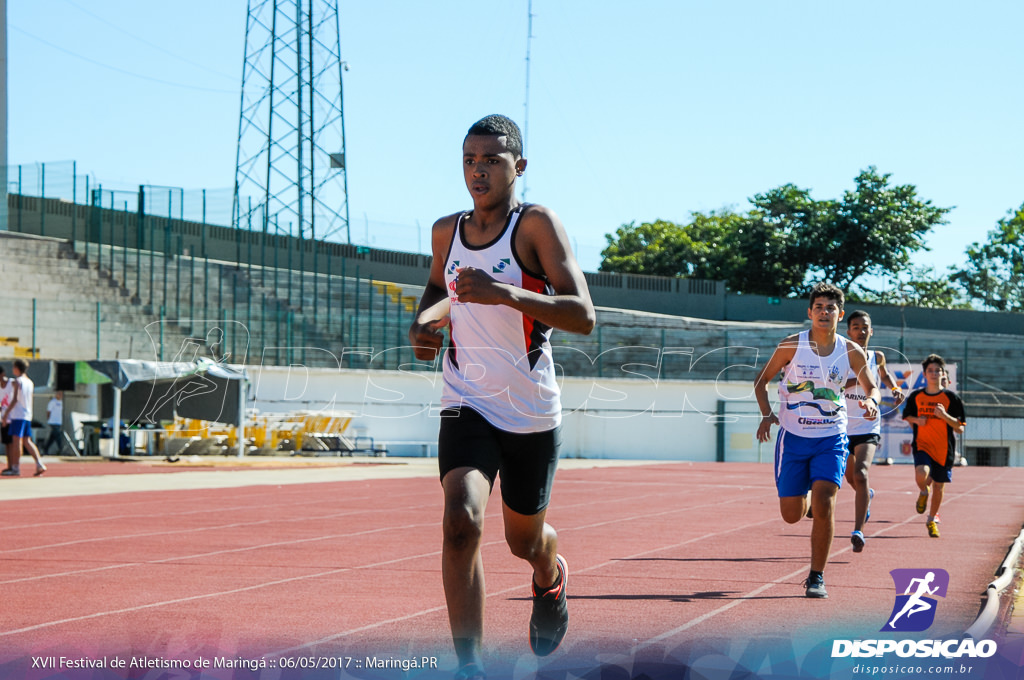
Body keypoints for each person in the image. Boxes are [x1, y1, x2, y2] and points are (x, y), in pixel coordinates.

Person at [408, 114, 595, 678]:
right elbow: (441, 290)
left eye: (491, 160)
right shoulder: (447, 230)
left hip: (530, 410)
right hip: (466, 398)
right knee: (460, 521)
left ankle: (549, 574)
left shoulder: (536, 225)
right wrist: (423, 324)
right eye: (469, 160)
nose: (478, 171)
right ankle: (471, 666)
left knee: (525, 542)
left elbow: (583, 316)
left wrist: (504, 292)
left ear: (520, 166)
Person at [754, 283, 880, 598]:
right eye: (819, 307)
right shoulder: (790, 346)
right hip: (793, 437)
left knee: (826, 502)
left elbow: (871, 386)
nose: (825, 312)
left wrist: (872, 401)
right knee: (791, 514)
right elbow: (760, 382)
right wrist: (768, 414)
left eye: (831, 308)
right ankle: (805, 498)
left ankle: (816, 576)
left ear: (839, 314)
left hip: (831, 436)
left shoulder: (851, 350)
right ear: (810, 313)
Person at [843, 311, 904, 552]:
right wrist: (859, 379)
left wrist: (895, 387)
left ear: (871, 331)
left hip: (868, 423)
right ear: (848, 332)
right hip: (842, 424)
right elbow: (836, 384)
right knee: (850, 478)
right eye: (855, 327)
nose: (860, 330)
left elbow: (884, 374)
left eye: (864, 327)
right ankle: (866, 495)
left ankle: (858, 530)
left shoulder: (876, 356)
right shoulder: (840, 356)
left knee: (861, 472)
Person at [902, 354, 965, 538]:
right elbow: (907, 416)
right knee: (922, 473)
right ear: (924, 374)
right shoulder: (916, 397)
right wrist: (916, 420)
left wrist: (945, 416)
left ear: (943, 373)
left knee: (939, 486)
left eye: (937, 370)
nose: (934, 373)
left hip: (944, 449)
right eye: (930, 370)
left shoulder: (951, 399)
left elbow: (960, 428)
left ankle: (931, 520)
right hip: (923, 444)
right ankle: (923, 491)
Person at [1, 359, 47, 476]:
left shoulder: (18, 381)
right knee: (27, 441)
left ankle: (15, 468)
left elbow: (15, 399)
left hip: (18, 415)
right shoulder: (29, 382)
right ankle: (39, 463)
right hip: (27, 414)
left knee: (17, 442)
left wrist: (6, 414)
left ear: (17, 368)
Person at [43, 391, 65, 456]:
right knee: (58, 435)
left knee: (52, 437)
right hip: (53, 421)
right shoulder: (52, 402)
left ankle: (45, 448)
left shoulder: (61, 402)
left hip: (58, 421)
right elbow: (48, 411)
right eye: (59, 394)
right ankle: (61, 448)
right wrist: (49, 419)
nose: (60, 395)